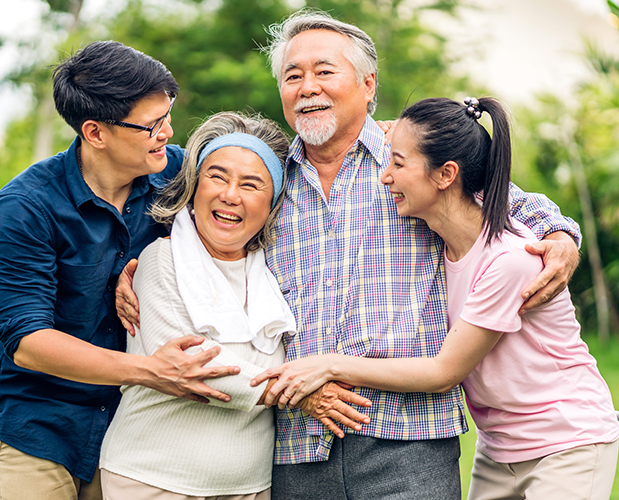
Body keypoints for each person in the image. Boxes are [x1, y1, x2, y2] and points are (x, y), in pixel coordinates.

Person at [116, 10, 582, 500]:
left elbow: (517, 205)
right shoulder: (268, 184)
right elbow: (200, 231)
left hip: (408, 440)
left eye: (324, 71)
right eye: (292, 76)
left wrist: (562, 237)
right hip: (297, 445)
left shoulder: (407, 161)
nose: (307, 86)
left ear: (367, 84)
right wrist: (130, 269)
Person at [258, 96, 619, 499]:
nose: (384, 177)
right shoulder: (440, 243)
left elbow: (443, 372)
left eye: (397, 164)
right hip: (500, 447)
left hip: (566, 439)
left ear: (446, 175)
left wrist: (329, 366)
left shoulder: (511, 260)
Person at [0, 41, 243, 500]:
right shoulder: (23, 208)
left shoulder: (175, 174)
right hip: (33, 421)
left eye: (168, 116)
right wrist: (152, 370)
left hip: (123, 422)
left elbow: (260, 167)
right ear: (95, 132)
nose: (167, 133)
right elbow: (29, 344)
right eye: (151, 125)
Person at [99, 111, 371, 500]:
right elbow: (195, 367)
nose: (230, 195)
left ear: (273, 202)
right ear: (194, 185)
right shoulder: (162, 260)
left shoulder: (278, 270)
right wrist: (301, 392)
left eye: (251, 184)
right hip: (153, 478)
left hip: (249, 486)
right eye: (218, 177)